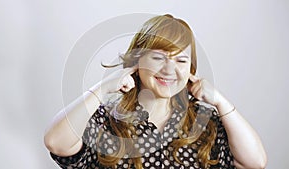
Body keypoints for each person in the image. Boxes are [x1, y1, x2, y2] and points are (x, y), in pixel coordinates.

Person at [44, 14, 267, 169]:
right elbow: (56, 141)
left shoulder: (206, 124)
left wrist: (220, 102)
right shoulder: (106, 120)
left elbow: (255, 162)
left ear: (190, 69)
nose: (170, 69)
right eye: (158, 57)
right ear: (137, 61)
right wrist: (102, 89)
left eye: (181, 60)